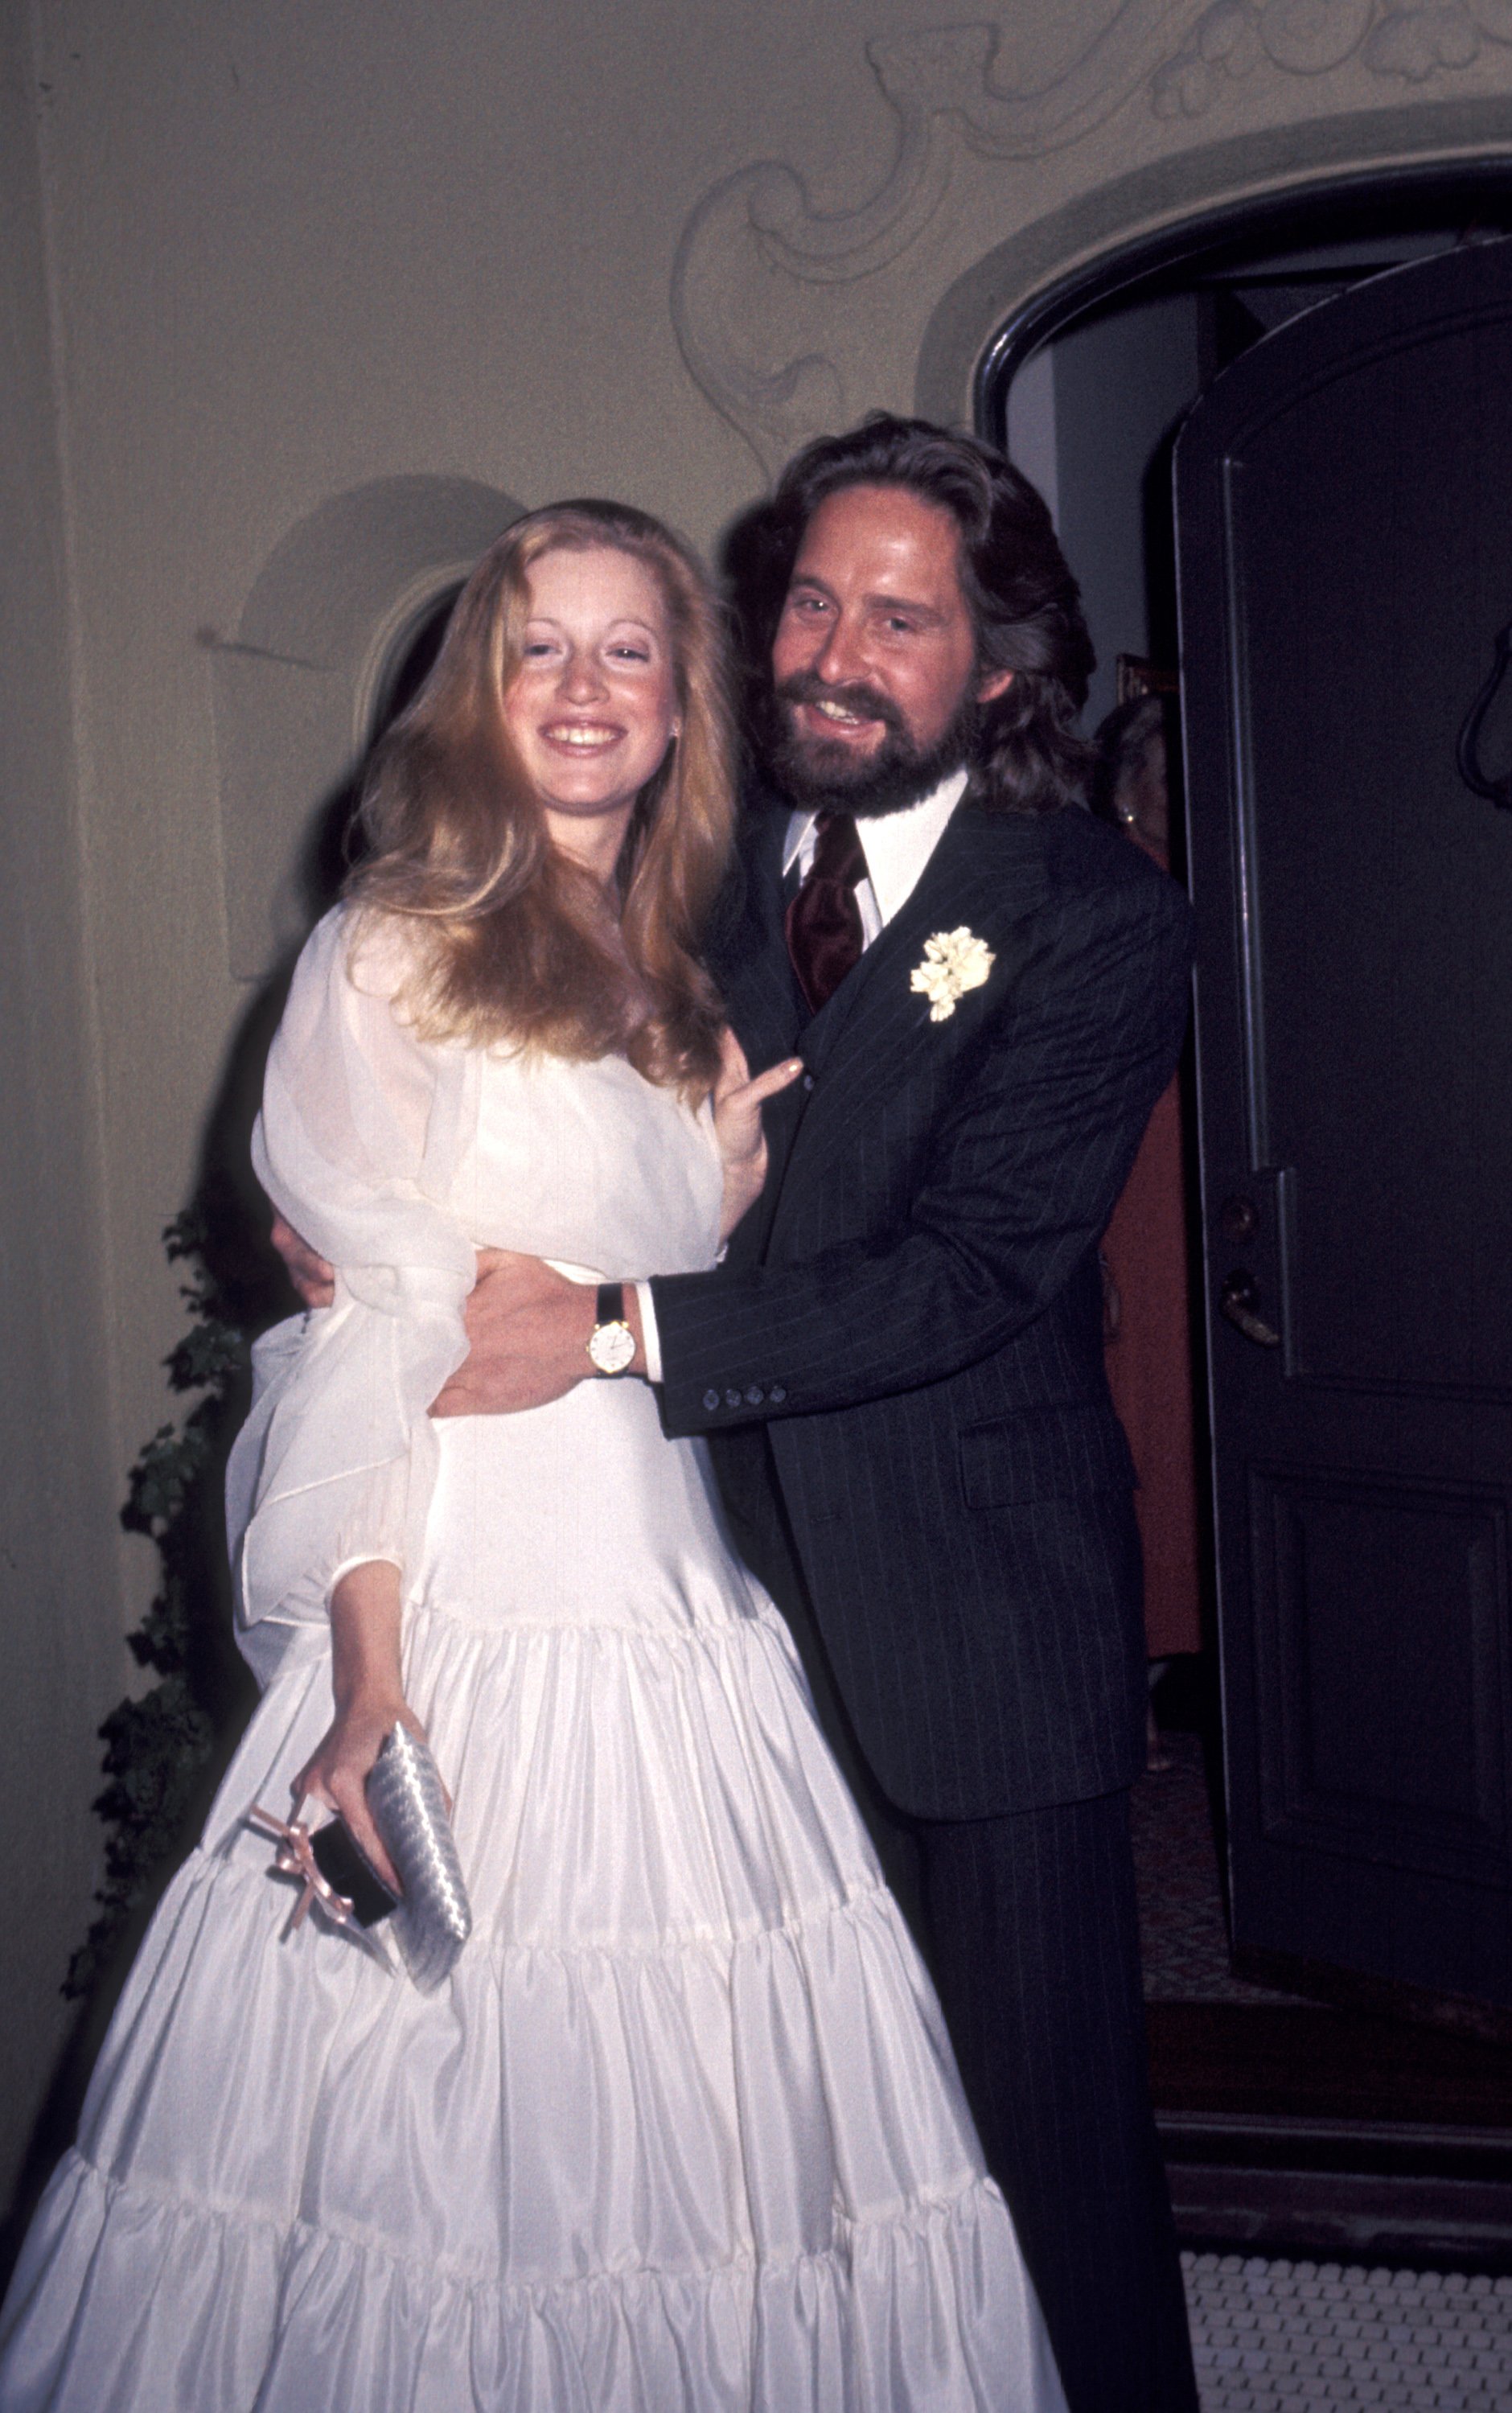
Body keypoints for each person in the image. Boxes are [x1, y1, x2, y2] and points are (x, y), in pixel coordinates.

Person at [0, 500, 1067, 2411]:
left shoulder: (665, 964)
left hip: (676, 1609)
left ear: (680, 713)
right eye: (540, 648)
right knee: (442, 2170)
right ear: (479, 694)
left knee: (732, 2172)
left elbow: (640, 1253)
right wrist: (367, 1695)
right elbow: (364, 1344)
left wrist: (715, 1174)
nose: (584, 689)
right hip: (466, 1613)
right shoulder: (394, 944)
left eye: (628, 651)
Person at [371, 421, 1202, 2413]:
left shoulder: (1091, 911)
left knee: (1043, 2154)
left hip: (975, 1619)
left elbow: (975, 1271)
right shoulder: (680, 856)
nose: (833, 652)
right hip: (706, 1621)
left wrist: (612, 1328)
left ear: (996, 669)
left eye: (897, 619)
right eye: (811, 600)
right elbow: (456, 1023)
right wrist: (376, 1248)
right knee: (800, 2159)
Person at [1092, 693, 1203, 1770]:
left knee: (1191, 1438)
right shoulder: (1112, 896)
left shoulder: (1216, 889)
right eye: (1169, 774)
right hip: (1127, 1208)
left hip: (1198, 1202)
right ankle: (1124, 1692)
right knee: (1136, 1443)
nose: (1184, 793)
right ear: (1130, 792)